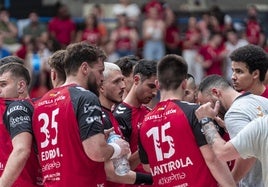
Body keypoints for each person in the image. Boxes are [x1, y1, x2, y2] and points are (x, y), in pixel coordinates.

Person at [32, 42, 130, 186]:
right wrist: (118, 148)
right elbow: (96, 151)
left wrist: (96, 135)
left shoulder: (41, 102)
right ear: (84, 68)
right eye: (100, 71)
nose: (102, 78)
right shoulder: (85, 97)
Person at [138, 54, 235, 186]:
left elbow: (147, 166)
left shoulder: (145, 121)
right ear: (184, 84)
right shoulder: (196, 112)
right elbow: (212, 159)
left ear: (157, 84)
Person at [197, 74, 268, 186]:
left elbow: (247, 155)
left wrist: (232, 181)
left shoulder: (234, 113)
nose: (207, 110)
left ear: (216, 92)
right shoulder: (263, 101)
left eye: (206, 104)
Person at [99, 62, 152, 186]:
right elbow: (112, 173)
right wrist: (155, 179)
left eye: (123, 80)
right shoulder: (100, 117)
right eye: (116, 82)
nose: (123, 86)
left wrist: (143, 146)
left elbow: (124, 166)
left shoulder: (111, 115)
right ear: (101, 86)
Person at [113, 59, 158, 185]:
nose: (155, 93)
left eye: (157, 87)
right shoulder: (120, 115)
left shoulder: (150, 112)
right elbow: (121, 168)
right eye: (151, 86)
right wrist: (146, 145)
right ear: (136, 80)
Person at [0, 62, 42, 186]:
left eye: (3, 85)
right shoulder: (39, 105)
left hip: (18, 181)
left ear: (21, 86)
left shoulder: (16, 107)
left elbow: (21, 150)